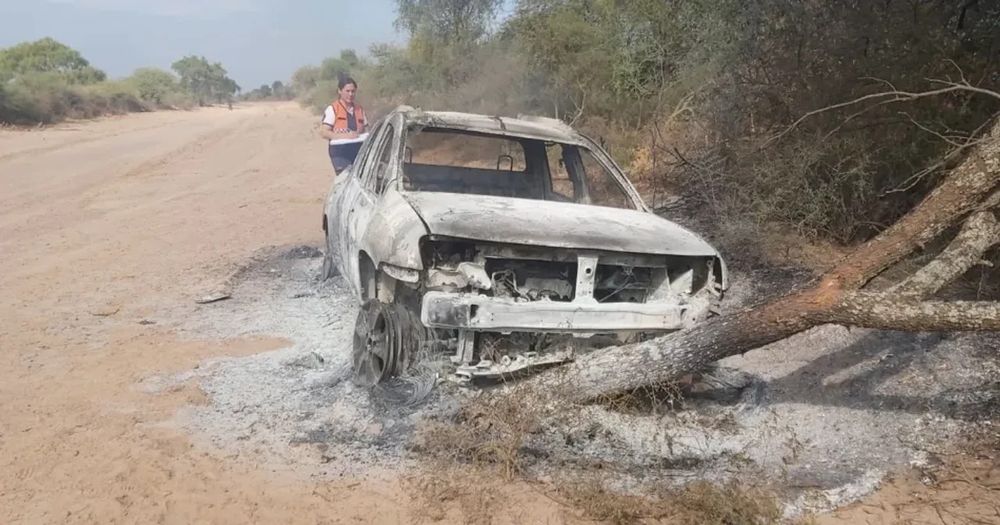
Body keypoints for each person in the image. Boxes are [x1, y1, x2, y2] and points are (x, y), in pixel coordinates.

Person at [320, 77, 367, 173]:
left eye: (353, 91)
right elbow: (323, 132)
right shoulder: (333, 109)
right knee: (345, 177)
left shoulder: (360, 109)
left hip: (359, 152)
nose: (350, 94)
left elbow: (366, 130)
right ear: (340, 91)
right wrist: (345, 136)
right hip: (339, 153)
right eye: (347, 91)